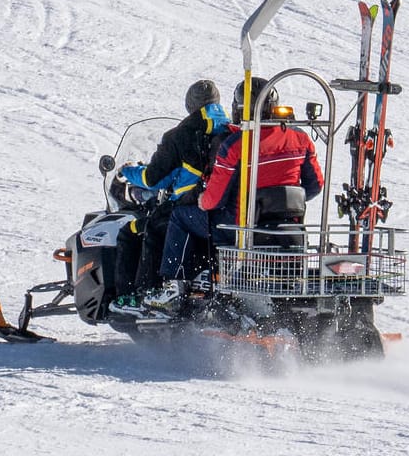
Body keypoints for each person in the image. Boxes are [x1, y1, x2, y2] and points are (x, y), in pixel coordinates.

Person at [124, 76, 323, 317]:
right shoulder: (300, 138)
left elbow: (214, 198)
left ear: (240, 109)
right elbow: (314, 185)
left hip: (238, 227)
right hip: (286, 228)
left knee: (179, 216)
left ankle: (174, 286)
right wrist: (283, 205)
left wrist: (201, 200)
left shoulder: (237, 145)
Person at [107, 79, 230, 313]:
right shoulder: (231, 130)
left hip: (185, 207)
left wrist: (126, 171)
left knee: (134, 231)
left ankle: (139, 296)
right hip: (222, 210)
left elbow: (153, 179)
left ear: (190, 104)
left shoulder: (180, 134)